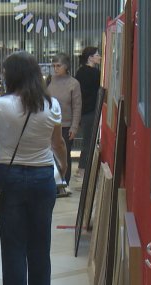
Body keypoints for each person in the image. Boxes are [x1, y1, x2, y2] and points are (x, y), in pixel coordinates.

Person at [0, 51, 67, 285]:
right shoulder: (51, 104)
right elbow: (58, 144)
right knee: (40, 241)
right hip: (43, 177)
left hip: (10, 178)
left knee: (13, 244)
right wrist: (63, 169)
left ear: (12, 74)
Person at [47, 52, 81, 192]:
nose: (55, 68)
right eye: (54, 66)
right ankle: (52, 183)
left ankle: (63, 184)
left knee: (64, 156)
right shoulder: (49, 80)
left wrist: (74, 126)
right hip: (49, 124)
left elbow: (77, 106)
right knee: (50, 155)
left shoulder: (73, 83)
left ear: (66, 66)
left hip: (66, 125)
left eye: (58, 65)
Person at [74, 47, 102, 179]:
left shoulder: (79, 72)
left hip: (82, 111)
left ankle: (82, 168)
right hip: (91, 111)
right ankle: (82, 169)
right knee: (89, 140)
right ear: (90, 57)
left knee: (87, 140)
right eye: (97, 55)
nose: (99, 57)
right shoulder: (96, 74)